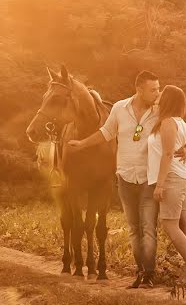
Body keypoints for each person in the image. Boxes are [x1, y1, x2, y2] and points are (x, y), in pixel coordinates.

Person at [68, 70, 162, 288]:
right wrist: (82, 144)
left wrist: (183, 148)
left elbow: (174, 129)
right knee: (133, 228)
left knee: (148, 227)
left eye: (158, 89)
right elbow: (106, 133)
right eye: (153, 89)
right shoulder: (120, 108)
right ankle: (141, 272)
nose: (157, 93)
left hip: (150, 177)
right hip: (126, 176)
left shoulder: (159, 111)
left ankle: (148, 274)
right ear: (139, 89)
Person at [149, 84, 186, 284]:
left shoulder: (168, 122)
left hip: (172, 178)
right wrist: (185, 151)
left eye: (161, 95)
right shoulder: (181, 122)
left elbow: (168, 154)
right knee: (185, 222)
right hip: (184, 177)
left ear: (167, 100)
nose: (157, 97)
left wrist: (159, 185)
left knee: (169, 224)